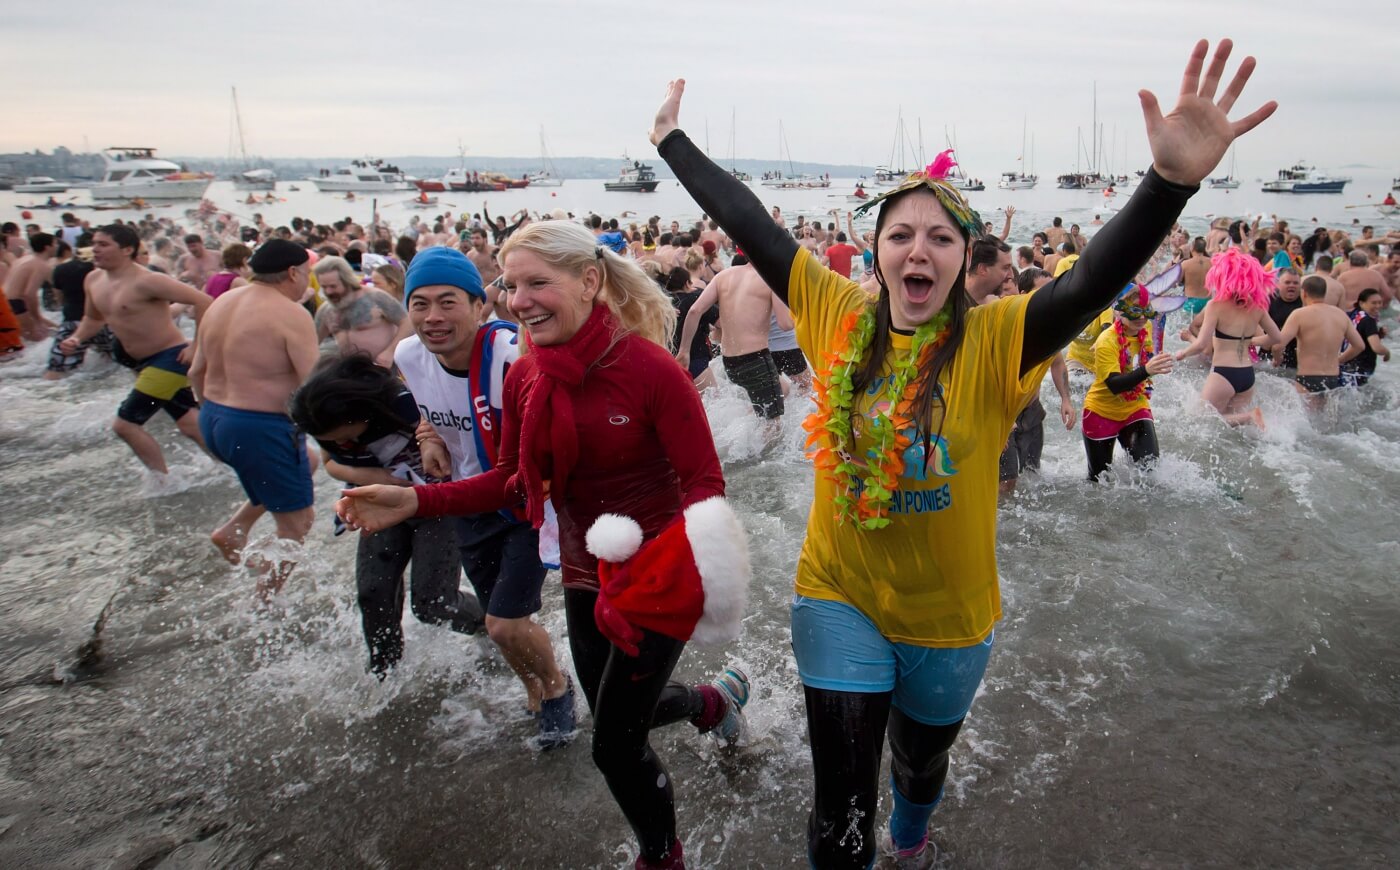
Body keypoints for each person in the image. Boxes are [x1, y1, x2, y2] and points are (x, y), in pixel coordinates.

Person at [644, 37, 1274, 868]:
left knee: (919, 766)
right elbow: (751, 222)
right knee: (840, 813)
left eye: (940, 237)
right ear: (876, 253)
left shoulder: (999, 339)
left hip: (951, 618)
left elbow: (1086, 285)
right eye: (899, 234)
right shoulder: (833, 311)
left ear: (961, 259)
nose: (918, 249)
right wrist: (671, 142)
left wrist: (1170, 183)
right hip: (840, 596)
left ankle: (913, 831)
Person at [337, 221, 752, 870]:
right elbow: (512, 482)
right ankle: (711, 701)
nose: (519, 299)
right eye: (511, 284)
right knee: (614, 712)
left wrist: (705, 582)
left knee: (612, 744)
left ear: (589, 282)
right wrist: (416, 500)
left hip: (658, 572)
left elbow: (705, 484)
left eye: (538, 282)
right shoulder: (527, 377)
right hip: (587, 570)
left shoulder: (649, 370)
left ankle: (662, 857)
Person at [391, 246, 575, 743]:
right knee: (504, 619)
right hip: (469, 506)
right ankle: (534, 689)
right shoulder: (407, 355)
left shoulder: (510, 356)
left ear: (479, 305)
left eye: (448, 302)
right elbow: (431, 409)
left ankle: (558, 690)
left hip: (525, 508)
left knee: (502, 621)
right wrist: (429, 438)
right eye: (420, 304)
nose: (433, 318)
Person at [190, 239, 320, 598]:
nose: (308, 282)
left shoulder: (223, 303)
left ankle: (236, 527)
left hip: (214, 418)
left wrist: (217, 419)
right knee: (298, 523)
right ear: (292, 273)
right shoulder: (291, 313)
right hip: (259, 425)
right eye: (307, 273)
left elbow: (195, 371)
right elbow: (314, 387)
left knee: (307, 461)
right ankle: (265, 607)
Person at [58, 224, 212, 475]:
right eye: (94, 243)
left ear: (127, 249)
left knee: (125, 425)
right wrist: (76, 339)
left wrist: (197, 345)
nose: (95, 249)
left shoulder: (148, 281)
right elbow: (94, 319)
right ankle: (234, 468)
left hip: (169, 359)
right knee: (189, 423)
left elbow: (203, 300)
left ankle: (161, 482)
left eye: (103, 244)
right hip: (142, 362)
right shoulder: (93, 279)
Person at [676, 254, 789, 426]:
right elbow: (786, 324)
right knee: (774, 426)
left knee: (784, 389)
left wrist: (684, 351)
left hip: (730, 362)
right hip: (756, 360)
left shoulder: (724, 275)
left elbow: (694, 311)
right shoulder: (769, 279)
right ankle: (746, 450)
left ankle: (739, 429)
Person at [1173, 249, 1282, 428]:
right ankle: (1249, 418)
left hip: (1224, 372)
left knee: (1200, 417)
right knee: (1228, 427)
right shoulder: (1257, 307)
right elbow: (1276, 337)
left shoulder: (1215, 305)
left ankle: (1251, 417)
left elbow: (1201, 344)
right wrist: (1252, 341)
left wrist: (1182, 354)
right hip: (1247, 374)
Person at [1084, 287, 1176, 479]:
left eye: (1147, 310)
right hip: (1101, 412)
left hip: (1135, 407)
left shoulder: (1146, 328)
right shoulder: (1106, 340)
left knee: (1150, 470)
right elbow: (1114, 385)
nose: (1142, 317)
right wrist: (1146, 370)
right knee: (1099, 480)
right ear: (1119, 311)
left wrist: (1152, 367)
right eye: (1135, 310)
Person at [999, 268, 1075, 495]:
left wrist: (1066, 399)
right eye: (1043, 291)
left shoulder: (1048, 326)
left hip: (1032, 411)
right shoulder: (1005, 324)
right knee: (1006, 481)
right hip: (1004, 414)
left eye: (1053, 290)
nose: (1051, 296)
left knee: (1032, 474)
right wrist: (1001, 422)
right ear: (1023, 293)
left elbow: (1057, 363)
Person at [1272, 276, 1364, 409]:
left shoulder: (1299, 314)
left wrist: (1277, 359)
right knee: (1326, 422)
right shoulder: (1340, 315)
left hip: (1307, 377)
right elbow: (1359, 346)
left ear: (1304, 293)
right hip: (1332, 377)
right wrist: (1339, 360)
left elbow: (1278, 345)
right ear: (1324, 293)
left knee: (1307, 421)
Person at [312, 255, 412, 368]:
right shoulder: (326, 310)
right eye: (324, 287)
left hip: (382, 371)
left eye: (333, 286)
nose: (328, 292)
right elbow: (311, 343)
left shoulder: (376, 298)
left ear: (347, 281)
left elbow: (407, 322)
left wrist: (390, 352)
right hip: (347, 373)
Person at [45, 235, 114, 379]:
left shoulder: (60, 269)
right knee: (116, 363)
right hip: (106, 323)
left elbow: (59, 299)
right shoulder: (104, 269)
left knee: (57, 369)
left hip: (72, 322)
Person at [664, 265, 718, 388]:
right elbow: (720, 322)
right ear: (688, 283)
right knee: (714, 400)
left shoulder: (662, 303)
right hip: (695, 360)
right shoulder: (695, 298)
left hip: (669, 363)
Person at [5, 232, 60, 340]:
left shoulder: (22, 259)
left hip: (5, 301)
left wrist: (39, 319)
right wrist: (37, 319)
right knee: (37, 338)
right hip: (14, 303)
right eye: (55, 244)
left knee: (54, 330)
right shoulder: (41, 265)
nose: (57, 246)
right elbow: (29, 295)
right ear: (47, 247)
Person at [1343, 288, 1390, 387]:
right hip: (1361, 369)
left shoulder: (1351, 315)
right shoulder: (1368, 320)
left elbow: (1358, 336)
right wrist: (1387, 353)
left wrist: (1378, 335)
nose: (1378, 306)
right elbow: (1376, 348)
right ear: (1361, 303)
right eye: (1373, 303)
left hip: (1346, 367)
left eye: (1380, 303)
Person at [1259, 267, 1302, 368]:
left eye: (1295, 283)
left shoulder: (1305, 303)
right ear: (1278, 285)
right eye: (1287, 282)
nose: (1292, 285)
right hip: (1269, 355)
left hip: (1295, 356)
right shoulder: (1268, 301)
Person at [1181, 236, 1211, 316]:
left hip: (1191, 301)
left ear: (1192, 248)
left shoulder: (1185, 264)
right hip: (1208, 301)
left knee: (1188, 327)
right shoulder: (1212, 262)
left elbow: (1178, 282)